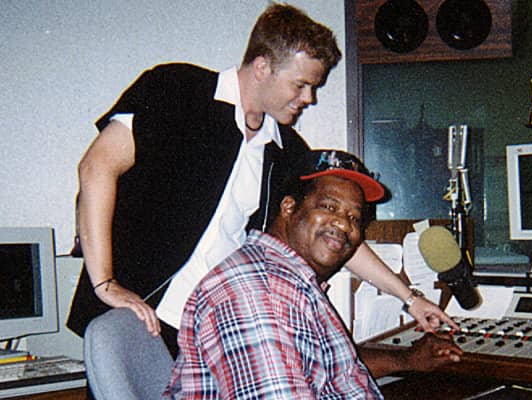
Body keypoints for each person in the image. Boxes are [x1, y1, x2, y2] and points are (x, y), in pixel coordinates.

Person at [67, 3, 455, 358]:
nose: (310, 98)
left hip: (209, 331)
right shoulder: (177, 89)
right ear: (262, 67)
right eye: (301, 84)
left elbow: (335, 231)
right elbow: (96, 168)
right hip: (139, 315)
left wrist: (409, 298)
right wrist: (105, 284)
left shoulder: (284, 148)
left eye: (315, 87)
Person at [164, 150, 462, 399]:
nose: (344, 225)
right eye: (329, 206)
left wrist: (405, 360)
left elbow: (327, 368)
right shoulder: (258, 294)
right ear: (289, 207)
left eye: (354, 217)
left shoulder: (292, 281)